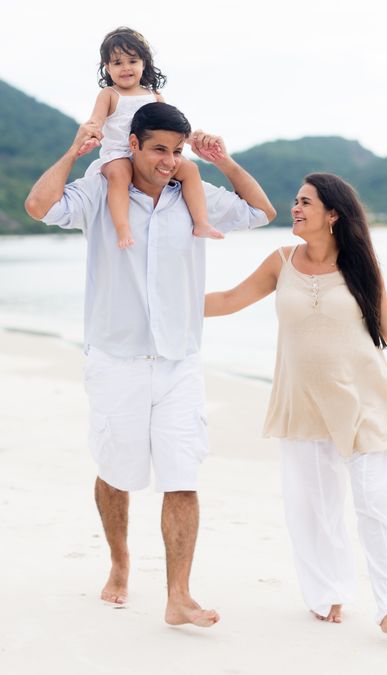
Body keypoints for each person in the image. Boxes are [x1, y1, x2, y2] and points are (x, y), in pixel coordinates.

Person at [24, 101, 276, 627]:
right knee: (117, 472)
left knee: (183, 476)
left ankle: (178, 595)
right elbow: (38, 206)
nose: (168, 160)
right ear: (133, 143)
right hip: (116, 358)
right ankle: (119, 560)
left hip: (180, 359)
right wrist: (76, 151)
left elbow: (261, 211)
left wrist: (224, 162)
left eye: (177, 151)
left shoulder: (193, 194)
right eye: (159, 148)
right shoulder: (100, 188)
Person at [205, 172, 387, 635]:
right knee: (313, 506)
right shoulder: (280, 261)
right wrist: (166, 301)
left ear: (332, 214)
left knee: (372, 499)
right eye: (295, 200)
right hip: (303, 402)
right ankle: (328, 592)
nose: (295, 207)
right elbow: (230, 299)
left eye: (306, 202)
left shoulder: (360, 266)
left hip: (364, 399)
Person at [79, 26, 223, 248]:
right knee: (119, 174)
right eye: (118, 63)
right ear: (107, 68)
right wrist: (92, 133)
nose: (126, 68)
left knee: (190, 169)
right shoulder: (109, 95)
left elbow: (170, 128)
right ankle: (123, 228)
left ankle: (201, 222)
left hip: (150, 155)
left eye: (132, 61)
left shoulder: (154, 96)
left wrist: (192, 138)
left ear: (143, 63)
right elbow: (96, 120)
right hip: (118, 154)